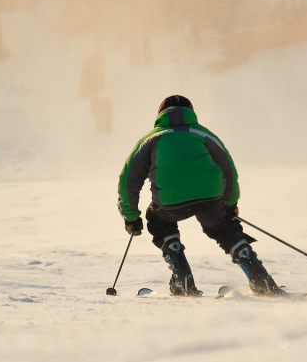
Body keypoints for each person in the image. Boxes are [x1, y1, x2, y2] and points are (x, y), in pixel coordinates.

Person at [117, 95, 284, 297]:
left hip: (169, 202)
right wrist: (230, 205)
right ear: (191, 111)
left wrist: (131, 217)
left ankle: (181, 277)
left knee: (158, 220)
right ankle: (260, 279)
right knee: (224, 230)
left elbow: (128, 181)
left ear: (160, 113)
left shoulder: (150, 139)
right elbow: (228, 170)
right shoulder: (204, 134)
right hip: (210, 198)